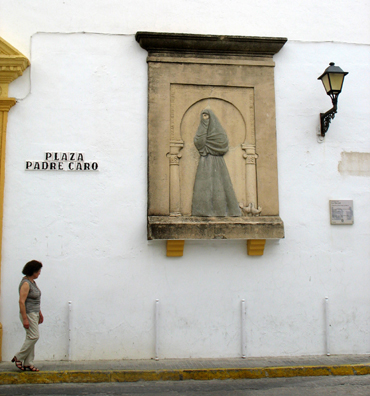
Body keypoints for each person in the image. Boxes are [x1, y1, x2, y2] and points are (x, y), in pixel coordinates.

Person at [192, 109, 241, 217]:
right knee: (203, 186)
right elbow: (199, 143)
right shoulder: (201, 130)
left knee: (220, 186)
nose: (205, 118)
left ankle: (222, 211)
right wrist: (204, 127)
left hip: (218, 163)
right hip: (204, 163)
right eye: (203, 115)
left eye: (207, 116)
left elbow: (223, 145)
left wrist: (209, 147)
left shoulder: (219, 132)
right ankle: (202, 211)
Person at [12, 260, 43, 372]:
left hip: (34, 313)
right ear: (33, 271)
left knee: (31, 337)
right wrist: (25, 318)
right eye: (38, 271)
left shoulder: (32, 282)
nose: (39, 273)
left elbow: (35, 300)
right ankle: (19, 357)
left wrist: (39, 313)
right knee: (34, 336)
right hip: (28, 313)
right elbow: (22, 301)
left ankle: (28, 363)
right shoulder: (26, 283)